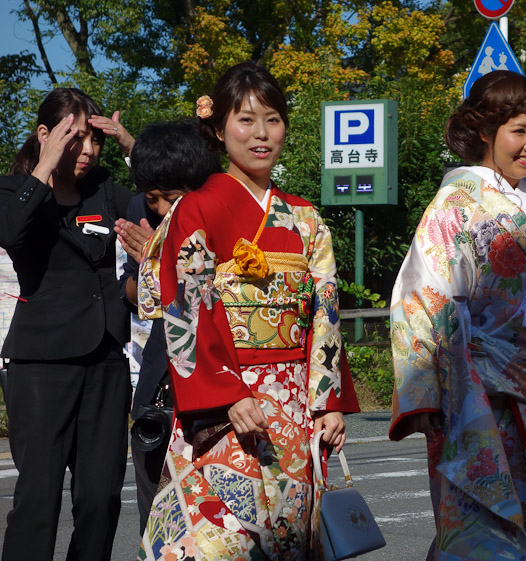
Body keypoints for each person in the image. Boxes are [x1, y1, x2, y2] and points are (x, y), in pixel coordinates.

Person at [137, 61, 359, 560]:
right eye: (246, 119)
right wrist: (225, 395)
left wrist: (328, 402)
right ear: (218, 129)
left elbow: (325, 309)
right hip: (226, 403)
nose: (261, 134)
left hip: (295, 408)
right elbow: (186, 307)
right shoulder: (196, 208)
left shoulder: (305, 217)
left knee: (289, 536)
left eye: (273, 119)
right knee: (220, 540)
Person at [389, 70, 526, 560]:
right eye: (519, 130)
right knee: (483, 529)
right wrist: (422, 390)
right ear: (486, 132)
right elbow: (422, 292)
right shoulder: (457, 202)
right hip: (477, 395)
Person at [0, 87, 135, 561]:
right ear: (45, 134)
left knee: (100, 499)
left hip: (105, 359)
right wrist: (44, 164)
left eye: (93, 139)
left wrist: (129, 144)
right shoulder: (13, 189)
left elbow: (166, 200)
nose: (86, 150)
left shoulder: (104, 189)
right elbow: (11, 230)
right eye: (73, 138)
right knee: (38, 500)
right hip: (40, 365)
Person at [114, 119, 222, 533]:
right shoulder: (140, 212)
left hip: (217, 382)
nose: (158, 208)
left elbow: (214, 300)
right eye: (151, 198)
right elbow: (139, 299)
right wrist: (147, 273)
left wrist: (160, 266)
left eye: (170, 198)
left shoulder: (225, 215)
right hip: (160, 378)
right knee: (157, 516)